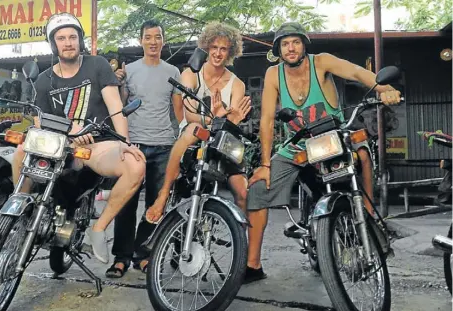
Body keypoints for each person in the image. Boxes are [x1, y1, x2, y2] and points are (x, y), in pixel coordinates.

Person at [245, 22, 402, 283]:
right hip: (298, 144)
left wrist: (385, 90)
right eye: (285, 44)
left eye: (295, 42)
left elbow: (357, 73)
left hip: (333, 138)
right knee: (258, 189)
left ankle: (368, 214)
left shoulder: (322, 62)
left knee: (362, 152)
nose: (291, 48)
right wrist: (264, 164)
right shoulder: (274, 74)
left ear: (304, 44)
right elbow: (267, 120)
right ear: (278, 49)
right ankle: (253, 265)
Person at [10, 12, 146, 264]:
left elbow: (116, 107)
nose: (68, 42)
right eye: (61, 38)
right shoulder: (43, 79)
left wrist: (125, 143)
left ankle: (99, 228)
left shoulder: (97, 65)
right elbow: (40, 122)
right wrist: (70, 133)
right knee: (19, 154)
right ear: (54, 44)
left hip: (97, 144)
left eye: (73, 36)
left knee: (136, 164)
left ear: (80, 40)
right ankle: (19, 216)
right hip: (60, 144)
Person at [144, 21, 252, 258]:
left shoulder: (237, 84)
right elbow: (189, 111)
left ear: (230, 52)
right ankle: (163, 196)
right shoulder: (191, 75)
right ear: (206, 47)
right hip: (194, 137)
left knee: (243, 192)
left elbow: (234, 119)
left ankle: (243, 250)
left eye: (224, 49)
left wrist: (227, 118)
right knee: (193, 127)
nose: (218, 53)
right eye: (213, 47)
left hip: (223, 141)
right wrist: (216, 118)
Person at [106, 20, 184, 277]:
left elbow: (178, 112)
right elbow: (121, 104)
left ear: (163, 40)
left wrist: (182, 141)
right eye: (148, 37)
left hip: (164, 146)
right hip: (134, 146)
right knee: (126, 202)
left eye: (157, 37)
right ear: (141, 41)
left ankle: (144, 254)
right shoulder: (130, 70)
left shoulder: (173, 71)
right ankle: (121, 257)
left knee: (155, 203)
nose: (153, 42)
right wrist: (118, 82)